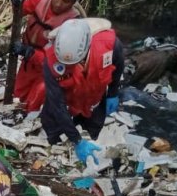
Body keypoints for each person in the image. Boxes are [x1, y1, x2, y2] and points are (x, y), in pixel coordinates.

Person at [41, 18, 124, 165]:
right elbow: (57, 105)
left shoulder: (109, 44)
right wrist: (77, 140)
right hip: (68, 99)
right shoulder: (50, 60)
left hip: (94, 97)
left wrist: (113, 93)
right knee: (52, 135)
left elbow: (118, 65)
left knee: (93, 133)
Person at [13, 0, 87, 112]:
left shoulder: (73, 25)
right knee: (17, 97)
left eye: (66, 1)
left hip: (50, 71)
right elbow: (20, 11)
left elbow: (60, 63)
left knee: (33, 104)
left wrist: (31, 53)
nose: (59, 4)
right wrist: (17, 2)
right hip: (29, 64)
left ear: (75, 1)